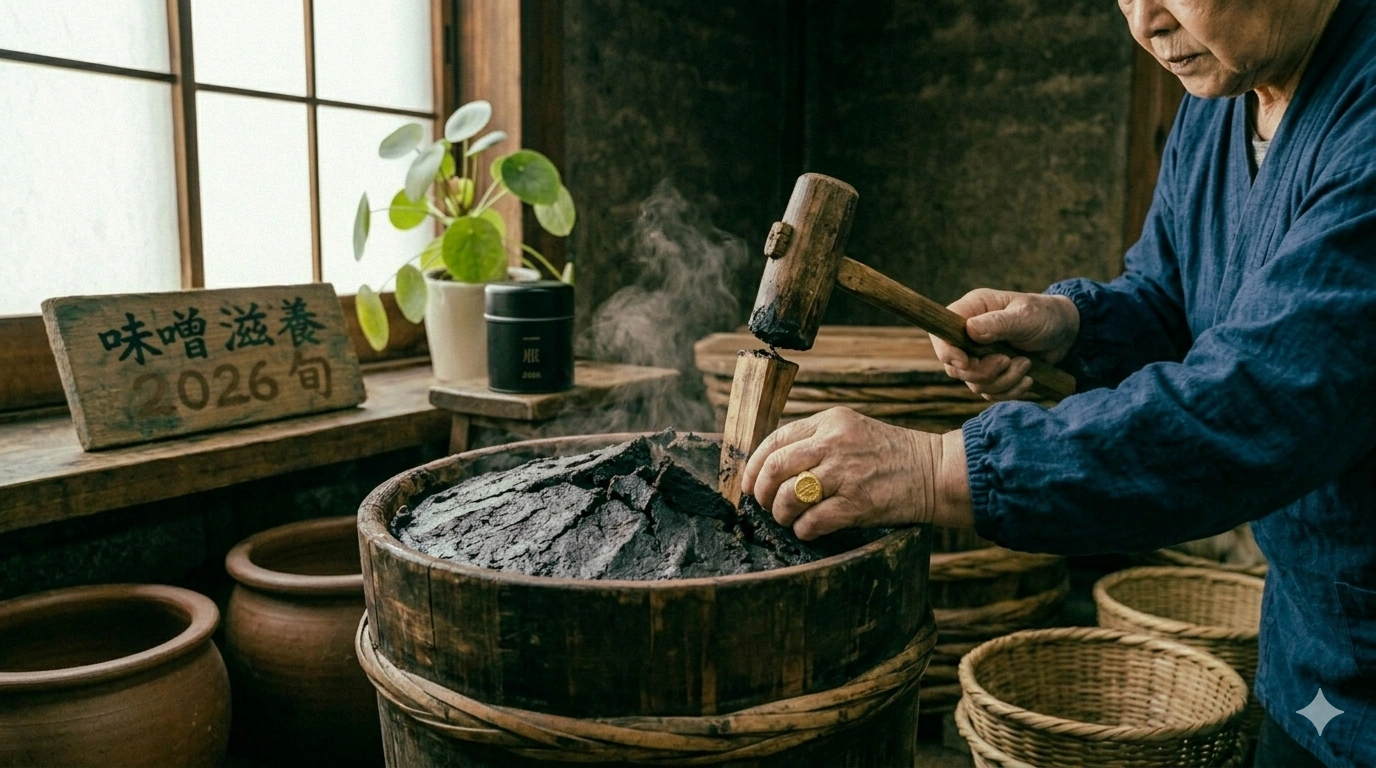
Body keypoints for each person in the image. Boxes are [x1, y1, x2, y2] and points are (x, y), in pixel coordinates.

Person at [740, 0, 1376, 765]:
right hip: (1306, 642)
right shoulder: (1220, 104)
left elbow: (1264, 400)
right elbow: (1172, 298)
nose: (1146, 23)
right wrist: (1074, 323)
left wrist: (940, 468)